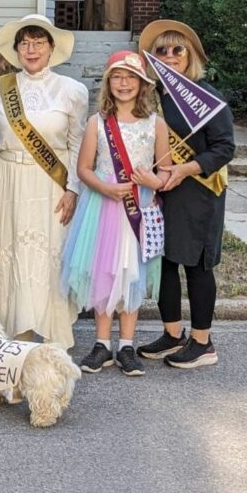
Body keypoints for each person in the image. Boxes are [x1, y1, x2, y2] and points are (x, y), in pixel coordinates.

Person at [0, 14, 88, 351]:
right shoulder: (0, 87)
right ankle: (11, 334)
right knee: (9, 250)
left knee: (47, 254)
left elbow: (79, 144)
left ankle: (50, 335)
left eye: (39, 42)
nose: (32, 49)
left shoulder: (73, 90)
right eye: (25, 42)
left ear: (52, 48)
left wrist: (73, 190)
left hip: (51, 184)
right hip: (10, 178)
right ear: (17, 49)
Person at [61, 51, 169, 376]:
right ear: (109, 83)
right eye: (118, 77)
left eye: (131, 78)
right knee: (105, 271)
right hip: (103, 206)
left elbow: (166, 172)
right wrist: (105, 188)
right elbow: (83, 169)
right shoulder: (97, 123)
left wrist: (155, 181)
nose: (124, 84)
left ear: (142, 84)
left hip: (140, 207)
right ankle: (101, 343)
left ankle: (126, 344)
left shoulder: (156, 125)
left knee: (132, 272)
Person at [136, 20, 235, 369]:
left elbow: (225, 148)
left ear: (190, 55)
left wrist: (184, 169)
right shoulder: (152, 96)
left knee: (195, 264)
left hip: (198, 191)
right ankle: (172, 333)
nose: (170, 55)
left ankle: (203, 341)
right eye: (161, 50)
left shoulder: (207, 96)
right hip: (162, 192)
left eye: (178, 49)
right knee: (165, 262)